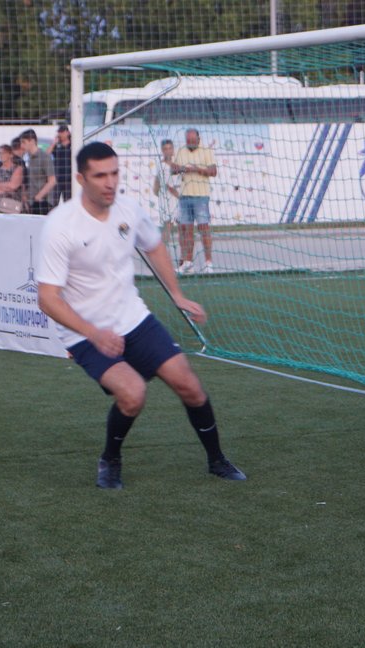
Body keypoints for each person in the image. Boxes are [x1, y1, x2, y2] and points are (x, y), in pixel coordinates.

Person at [36, 141, 246, 488]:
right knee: (132, 394)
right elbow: (47, 299)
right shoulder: (60, 226)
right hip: (86, 332)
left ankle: (217, 459)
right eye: (99, 176)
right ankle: (110, 459)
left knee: (190, 386)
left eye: (114, 173)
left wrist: (176, 294)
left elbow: (155, 245)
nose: (110, 183)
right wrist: (94, 333)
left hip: (133, 318)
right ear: (81, 179)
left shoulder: (128, 210)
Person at [172, 128, 217, 273]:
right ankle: (188, 262)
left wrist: (197, 169)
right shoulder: (181, 151)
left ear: (198, 139)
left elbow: (213, 172)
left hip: (201, 196)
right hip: (184, 196)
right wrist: (183, 168)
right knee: (187, 231)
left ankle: (208, 263)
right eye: (188, 141)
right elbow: (173, 169)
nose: (190, 143)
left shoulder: (206, 151)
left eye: (192, 140)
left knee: (204, 229)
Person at [151, 139, 180, 250]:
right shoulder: (161, 165)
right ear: (162, 151)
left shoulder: (177, 163)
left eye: (170, 148)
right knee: (168, 226)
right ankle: (162, 250)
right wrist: (180, 196)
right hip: (169, 198)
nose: (168, 151)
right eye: (165, 149)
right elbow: (166, 185)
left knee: (182, 226)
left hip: (177, 197)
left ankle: (185, 256)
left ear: (173, 149)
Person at [21, 129, 57, 215]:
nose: (22, 145)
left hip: (43, 202)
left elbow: (52, 181)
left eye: (24, 142)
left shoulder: (44, 157)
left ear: (32, 141)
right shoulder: (29, 158)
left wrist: (38, 196)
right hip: (31, 201)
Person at [0, 144, 25, 213]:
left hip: (13, 206)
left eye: (3, 153)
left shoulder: (18, 169)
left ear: (10, 155)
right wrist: (6, 191)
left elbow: (13, 186)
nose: (1, 155)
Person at [51, 124, 73, 206]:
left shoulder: (73, 145)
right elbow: (47, 154)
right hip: (57, 178)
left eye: (62, 132)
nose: (60, 134)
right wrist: (54, 143)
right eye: (59, 132)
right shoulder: (57, 146)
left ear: (67, 133)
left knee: (68, 202)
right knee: (54, 203)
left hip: (69, 179)